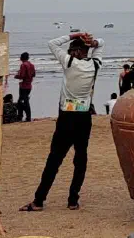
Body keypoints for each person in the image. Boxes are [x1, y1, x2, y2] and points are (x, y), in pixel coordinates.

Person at [21, 31, 101, 212]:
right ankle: (73, 199)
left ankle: (39, 200)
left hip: (67, 117)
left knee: (54, 159)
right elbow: (101, 45)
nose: (71, 53)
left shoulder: (69, 63)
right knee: (80, 159)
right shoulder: (95, 65)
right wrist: (93, 42)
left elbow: (52, 43)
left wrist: (75, 35)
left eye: (72, 50)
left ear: (76, 52)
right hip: (84, 118)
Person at [14, 51, 36, 121]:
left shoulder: (23, 65)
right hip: (29, 85)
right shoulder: (31, 65)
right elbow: (34, 74)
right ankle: (20, 116)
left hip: (23, 86)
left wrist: (16, 76)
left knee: (24, 101)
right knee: (21, 101)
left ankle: (26, 117)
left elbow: (22, 76)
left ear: (21, 58)